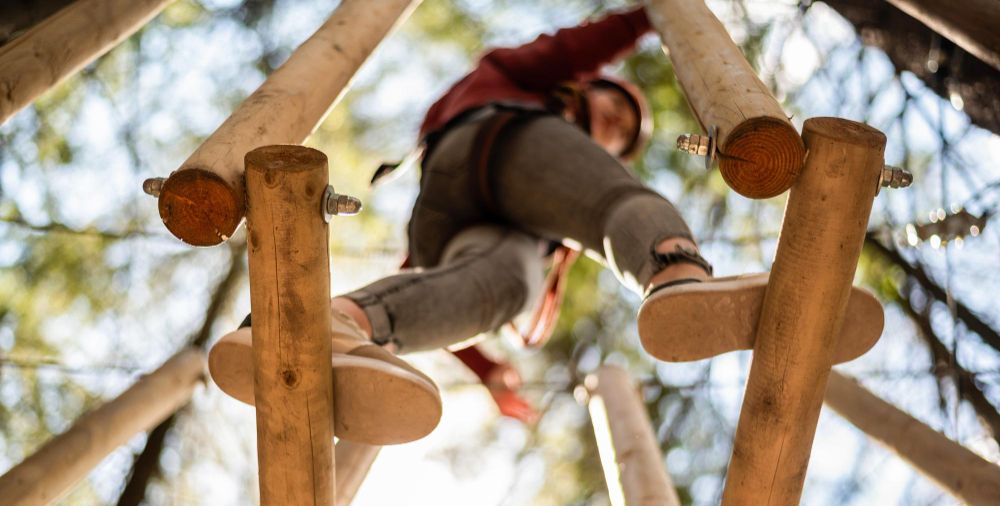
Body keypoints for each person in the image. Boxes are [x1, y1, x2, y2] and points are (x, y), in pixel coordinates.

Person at [208, 6, 871, 444]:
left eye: (622, 136)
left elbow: (427, 283)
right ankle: (675, 273)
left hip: (465, 220)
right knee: (615, 204)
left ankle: (331, 324)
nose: (615, 128)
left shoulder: (552, 221)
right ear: (585, 93)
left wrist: (485, 369)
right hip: (495, 143)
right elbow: (571, 48)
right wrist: (646, 14)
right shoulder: (531, 92)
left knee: (500, 286)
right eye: (615, 109)